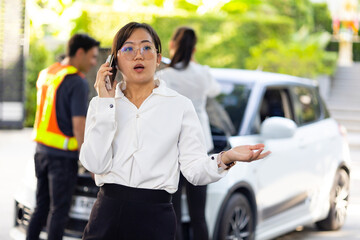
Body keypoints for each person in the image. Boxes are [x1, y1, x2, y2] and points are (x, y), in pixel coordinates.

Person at [79, 22, 270, 240]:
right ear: (114, 61)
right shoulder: (101, 105)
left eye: (146, 47)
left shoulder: (180, 106)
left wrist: (228, 156)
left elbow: (194, 171)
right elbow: (95, 164)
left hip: (155, 218)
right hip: (107, 214)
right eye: (128, 48)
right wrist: (106, 104)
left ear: (159, 59)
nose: (138, 55)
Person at [27, 34, 100, 240]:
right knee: (58, 211)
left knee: (41, 207)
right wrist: (88, 160)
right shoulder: (76, 81)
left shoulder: (49, 72)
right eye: (92, 57)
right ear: (80, 53)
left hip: (41, 151)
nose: (94, 62)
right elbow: (79, 125)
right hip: (62, 157)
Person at [158, 26, 220, 240]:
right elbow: (216, 90)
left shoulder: (164, 77)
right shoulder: (203, 73)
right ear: (194, 49)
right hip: (201, 144)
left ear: (172, 45)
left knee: (172, 211)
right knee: (198, 214)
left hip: (174, 147)